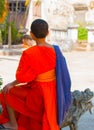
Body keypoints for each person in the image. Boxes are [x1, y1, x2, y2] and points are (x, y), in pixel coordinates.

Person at [0, 19, 71, 130]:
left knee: (7, 92)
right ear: (48, 33)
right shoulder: (56, 50)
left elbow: (22, 77)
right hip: (53, 93)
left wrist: (11, 84)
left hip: (37, 94)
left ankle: (13, 124)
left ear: (31, 35)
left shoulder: (29, 53)